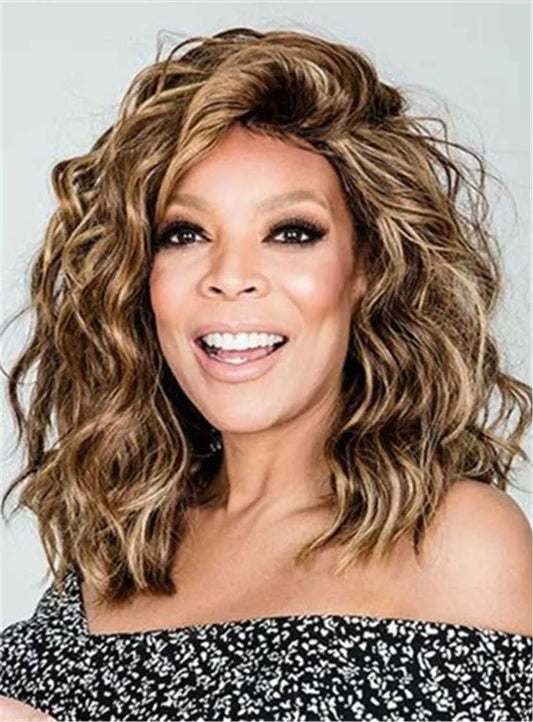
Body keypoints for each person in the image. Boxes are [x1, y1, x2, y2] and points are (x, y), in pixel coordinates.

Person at [1, 26, 531, 722]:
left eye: (291, 233)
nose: (230, 277)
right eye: (184, 234)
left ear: (367, 270)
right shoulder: (122, 545)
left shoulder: (455, 540)